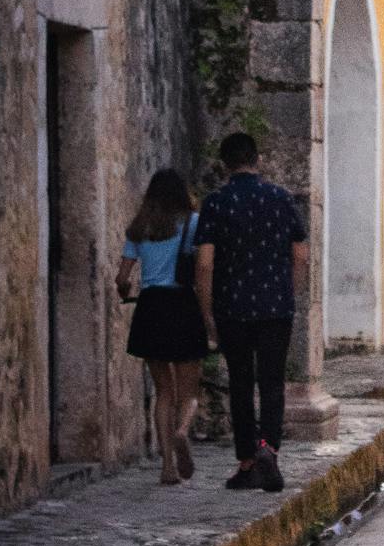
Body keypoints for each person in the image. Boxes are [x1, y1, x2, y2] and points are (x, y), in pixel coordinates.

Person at [193, 131, 308, 493]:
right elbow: (301, 254)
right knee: (272, 381)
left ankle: (246, 463)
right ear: (257, 160)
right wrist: (291, 293)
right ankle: (268, 449)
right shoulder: (282, 199)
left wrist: (207, 309)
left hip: (233, 306)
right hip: (275, 306)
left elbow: (206, 263)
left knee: (241, 383)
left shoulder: (216, 203)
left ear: (225, 164)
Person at [115, 168, 206, 486]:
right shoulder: (193, 224)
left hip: (151, 308)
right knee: (188, 392)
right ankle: (182, 431)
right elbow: (204, 266)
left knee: (163, 392)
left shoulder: (140, 228)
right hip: (182, 305)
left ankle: (167, 466)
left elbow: (122, 279)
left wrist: (126, 293)